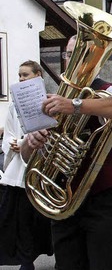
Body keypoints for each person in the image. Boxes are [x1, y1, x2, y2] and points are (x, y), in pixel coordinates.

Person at [20, 36, 112, 269]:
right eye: (70, 54)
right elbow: (29, 160)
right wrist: (30, 142)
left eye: (84, 53)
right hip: (65, 200)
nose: (74, 60)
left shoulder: (111, 91)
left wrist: (75, 105)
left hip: (105, 199)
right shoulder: (53, 100)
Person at [0, 60, 53, 270]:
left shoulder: (49, 103)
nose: (21, 79)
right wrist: (12, 143)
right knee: (20, 219)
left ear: (38, 75)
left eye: (25, 75)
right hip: (19, 172)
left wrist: (23, 143)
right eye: (19, 75)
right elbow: (10, 132)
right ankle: (25, 260)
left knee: (40, 219)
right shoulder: (14, 106)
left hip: (41, 168)